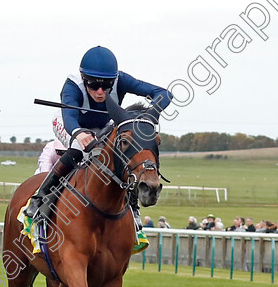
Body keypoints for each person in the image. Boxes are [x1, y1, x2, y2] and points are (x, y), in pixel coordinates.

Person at [23, 46, 174, 247]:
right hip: (70, 124)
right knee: (79, 148)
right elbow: (69, 118)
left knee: (119, 157)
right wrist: (79, 133)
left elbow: (163, 93)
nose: (100, 91)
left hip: (103, 126)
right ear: (84, 79)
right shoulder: (72, 85)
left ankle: (133, 207)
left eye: (106, 86)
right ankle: (39, 199)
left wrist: (150, 114)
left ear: (114, 80)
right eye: (94, 86)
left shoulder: (122, 79)